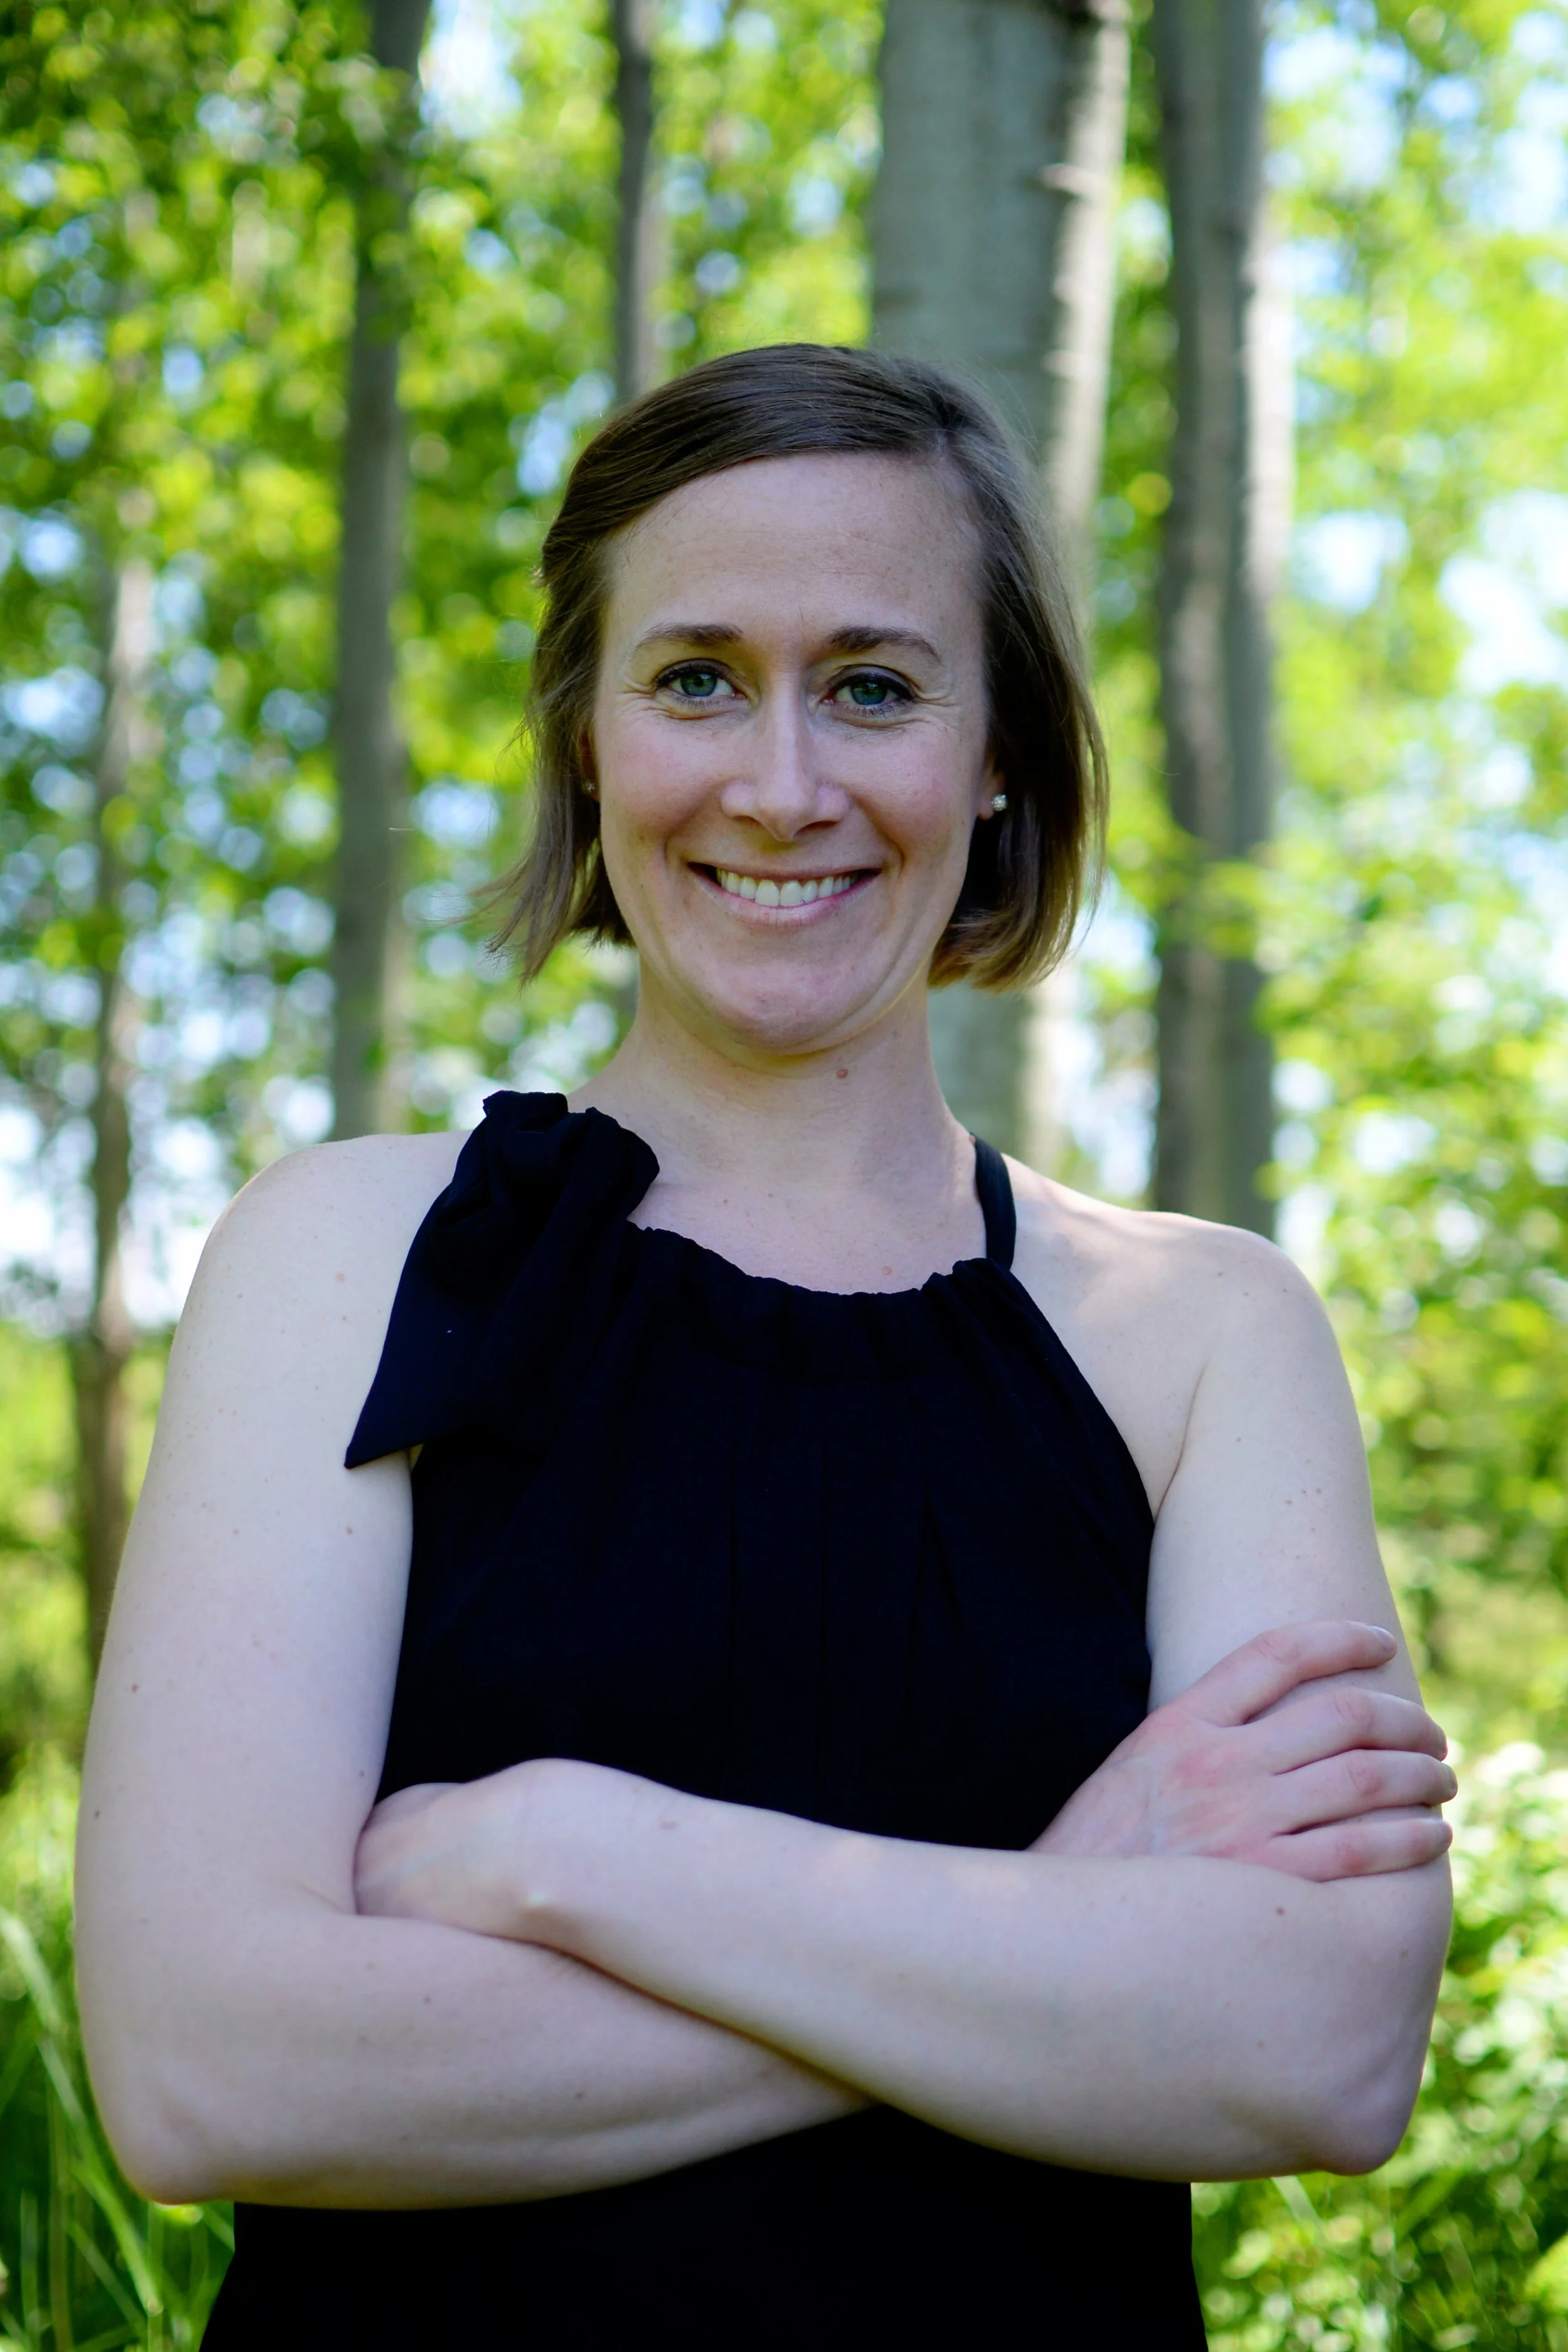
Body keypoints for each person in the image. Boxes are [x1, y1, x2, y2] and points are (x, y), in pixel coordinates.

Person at [76, 344, 1454, 2349]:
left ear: (997, 755)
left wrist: (566, 1847)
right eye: (695, 675)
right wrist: (1055, 1913)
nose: (781, 782)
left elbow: (1316, 2049)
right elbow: (211, 2068)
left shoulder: (1197, 1331)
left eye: (874, 686)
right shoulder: (345, 1257)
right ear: (583, 730)